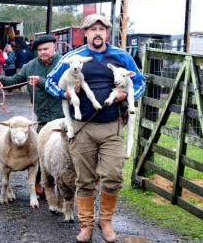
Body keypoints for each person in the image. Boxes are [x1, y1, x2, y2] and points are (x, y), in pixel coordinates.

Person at [45, 13, 145, 243]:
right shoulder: (73, 57)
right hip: (83, 128)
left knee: (113, 175)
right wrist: (67, 94)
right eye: (93, 29)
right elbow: (51, 81)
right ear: (86, 33)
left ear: (107, 33)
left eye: (102, 29)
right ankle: (86, 226)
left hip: (112, 126)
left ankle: (106, 222)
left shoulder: (122, 56)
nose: (97, 33)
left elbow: (139, 82)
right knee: (85, 179)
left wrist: (125, 94)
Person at [0, 34, 64, 132]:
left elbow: (69, 90)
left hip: (63, 120)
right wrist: (0, 79)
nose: (42, 52)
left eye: (46, 49)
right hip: (42, 120)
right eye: (39, 50)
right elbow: (14, 80)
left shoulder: (65, 63)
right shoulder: (30, 66)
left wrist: (41, 81)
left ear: (54, 47)